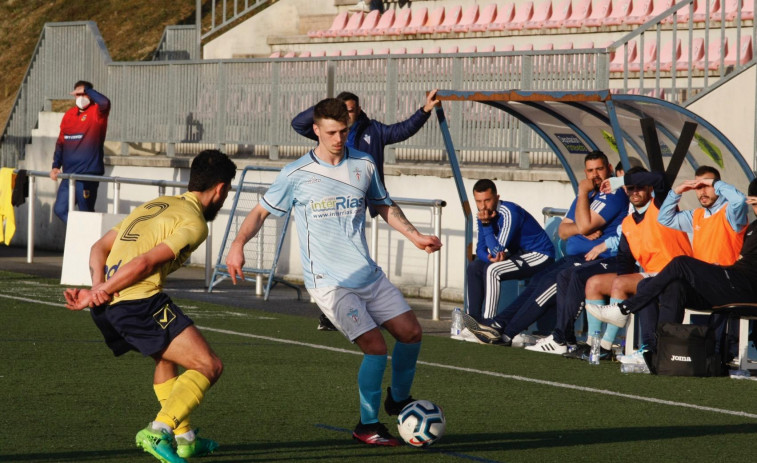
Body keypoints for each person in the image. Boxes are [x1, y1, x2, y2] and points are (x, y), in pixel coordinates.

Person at [226, 98, 442, 446]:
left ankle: (398, 399)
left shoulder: (364, 163)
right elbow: (260, 213)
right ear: (316, 130)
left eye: (343, 131)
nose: (338, 139)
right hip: (330, 284)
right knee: (375, 348)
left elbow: (383, 204)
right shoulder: (296, 174)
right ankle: (367, 425)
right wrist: (238, 245)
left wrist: (415, 236)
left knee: (411, 333)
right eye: (331, 132)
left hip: (367, 274)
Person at [63, 150, 237, 463]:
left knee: (164, 359)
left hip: (111, 306)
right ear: (221, 189)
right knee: (209, 365)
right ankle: (159, 431)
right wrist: (102, 289)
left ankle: (185, 439)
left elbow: (98, 247)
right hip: (138, 301)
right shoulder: (195, 222)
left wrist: (99, 287)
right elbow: (144, 263)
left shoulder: (157, 205)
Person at [292, 89, 440, 331]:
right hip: (331, 203)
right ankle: (334, 311)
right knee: (335, 255)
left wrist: (424, 111)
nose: (346, 116)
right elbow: (298, 124)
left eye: (350, 110)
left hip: (361, 202)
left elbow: (402, 130)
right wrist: (325, 107)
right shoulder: (329, 132)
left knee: (357, 256)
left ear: (358, 110)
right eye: (342, 110)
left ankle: (353, 310)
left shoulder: (373, 130)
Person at [464, 151, 628, 348]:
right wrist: (581, 226)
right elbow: (564, 230)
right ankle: (497, 325)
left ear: (609, 169)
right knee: (538, 281)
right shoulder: (584, 197)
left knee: (549, 284)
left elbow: (583, 226)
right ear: (585, 172)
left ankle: (505, 331)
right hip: (575, 256)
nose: (595, 175)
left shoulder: (613, 194)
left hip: (598, 258)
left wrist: (582, 213)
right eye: (590, 171)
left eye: (600, 169)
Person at [589, 178, 757, 351]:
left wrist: (714, 182)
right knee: (668, 287)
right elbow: (664, 218)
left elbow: (738, 200)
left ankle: (624, 309)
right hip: (713, 282)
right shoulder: (700, 216)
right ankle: (657, 349)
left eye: (707, 186)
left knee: (680, 262)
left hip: (734, 284)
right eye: (698, 187)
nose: (702, 191)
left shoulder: (731, 214)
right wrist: (677, 191)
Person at [577, 167, 692, 360]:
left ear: (649, 189)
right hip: (651, 276)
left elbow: (660, 178)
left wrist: (619, 180)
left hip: (676, 274)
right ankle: (593, 344)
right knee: (594, 283)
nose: (635, 192)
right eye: (630, 188)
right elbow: (624, 260)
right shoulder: (629, 222)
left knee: (623, 283)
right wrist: (620, 286)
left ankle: (607, 346)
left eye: (640, 187)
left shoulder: (661, 206)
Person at [461, 179, 555, 341]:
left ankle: (488, 325)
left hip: (540, 255)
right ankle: (473, 323)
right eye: (478, 201)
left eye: (487, 200)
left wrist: (486, 225)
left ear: (497, 198)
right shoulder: (482, 215)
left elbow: (498, 249)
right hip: (518, 255)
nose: (483, 206)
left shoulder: (509, 212)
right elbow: (481, 249)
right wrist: (489, 257)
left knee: (492, 270)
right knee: (475, 267)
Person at [50, 80, 110, 223]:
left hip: (88, 174)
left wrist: (88, 90)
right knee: (60, 209)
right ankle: (80, 232)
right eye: (78, 94)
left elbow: (105, 103)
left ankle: (90, 241)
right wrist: (55, 166)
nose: (81, 98)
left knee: (86, 213)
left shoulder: (97, 112)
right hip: (69, 174)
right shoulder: (69, 115)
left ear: (90, 95)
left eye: (84, 94)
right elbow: (60, 143)